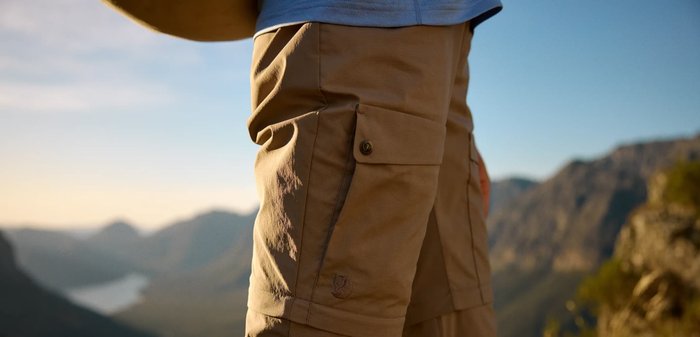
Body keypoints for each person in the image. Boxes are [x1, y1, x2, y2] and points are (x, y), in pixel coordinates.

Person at [245, 1, 502, 336]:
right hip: (352, 28)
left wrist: (443, 133)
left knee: (456, 319)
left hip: (450, 30)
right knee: (317, 321)